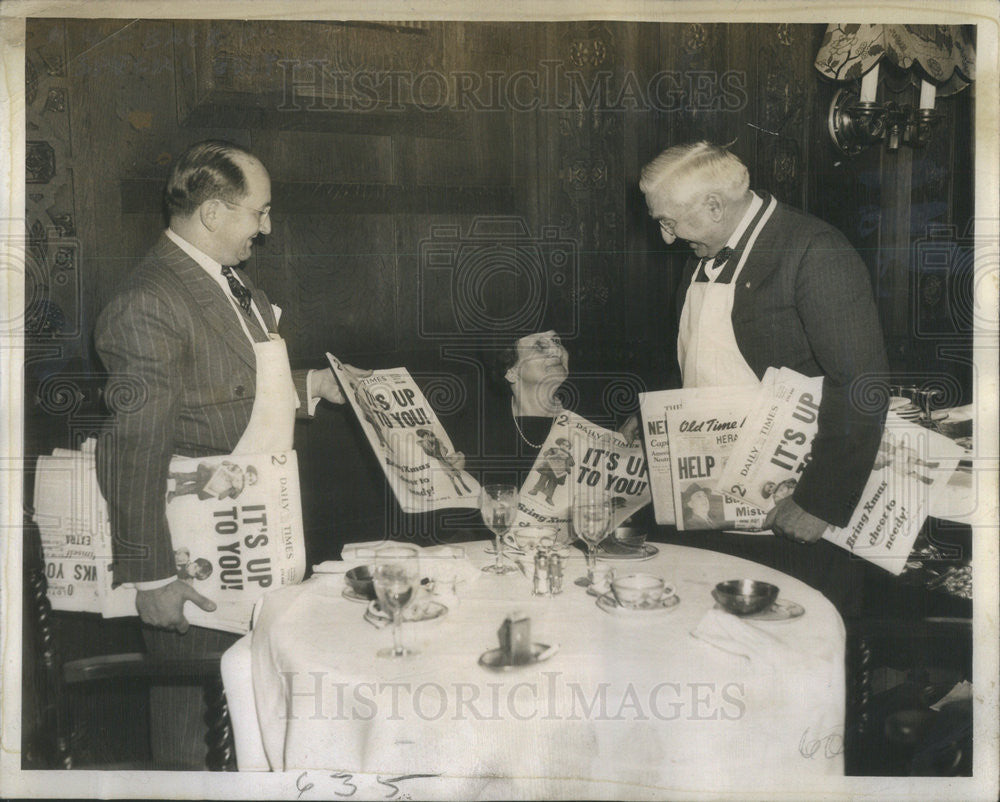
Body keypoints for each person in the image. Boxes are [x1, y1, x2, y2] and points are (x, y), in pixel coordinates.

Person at [95, 139, 365, 767]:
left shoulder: (229, 279)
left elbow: (227, 386)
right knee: (195, 725)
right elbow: (133, 446)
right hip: (192, 555)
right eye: (259, 213)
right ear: (214, 213)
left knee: (248, 709)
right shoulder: (149, 300)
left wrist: (313, 387)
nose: (266, 229)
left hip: (255, 534)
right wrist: (153, 576)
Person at [640, 141, 889, 616]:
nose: (667, 237)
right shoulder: (701, 253)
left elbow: (862, 385)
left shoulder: (814, 251)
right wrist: (653, 418)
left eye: (669, 221)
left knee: (793, 650)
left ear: (714, 206)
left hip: (791, 514)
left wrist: (819, 503)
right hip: (713, 511)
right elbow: (704, 355)